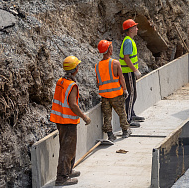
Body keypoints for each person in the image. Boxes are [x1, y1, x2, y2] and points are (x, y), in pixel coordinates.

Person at [50, 56, 91, 186]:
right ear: (75, 69)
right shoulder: (72, 85)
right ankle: (62, 178)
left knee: (68, 147)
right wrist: (84, 117)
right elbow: (73, 105)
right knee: (67, 150)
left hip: (60, 119)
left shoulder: (60, 81)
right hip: (67, 121)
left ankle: (68, 170)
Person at [95, 40, 131, 140]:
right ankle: (125, 131)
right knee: (122, 113)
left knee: (107, 116)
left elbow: (98, 82)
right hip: (116, 94)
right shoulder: (115, 63)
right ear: (109, 50)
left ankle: (110, 135)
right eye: (111, 47)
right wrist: (125, 89)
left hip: (105, 96)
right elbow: (121, 78)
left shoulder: (97, 66)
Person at [120, 19, 144, 126]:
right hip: (128, 72)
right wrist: (135, 70)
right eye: (135, 27)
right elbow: (126, 58)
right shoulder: (128, 42)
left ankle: (131, 114)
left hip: (129, 72)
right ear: (130, 30)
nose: (137, 29)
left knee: (134, 94)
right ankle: (128, 119)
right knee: (131, 95)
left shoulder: (130, 40)